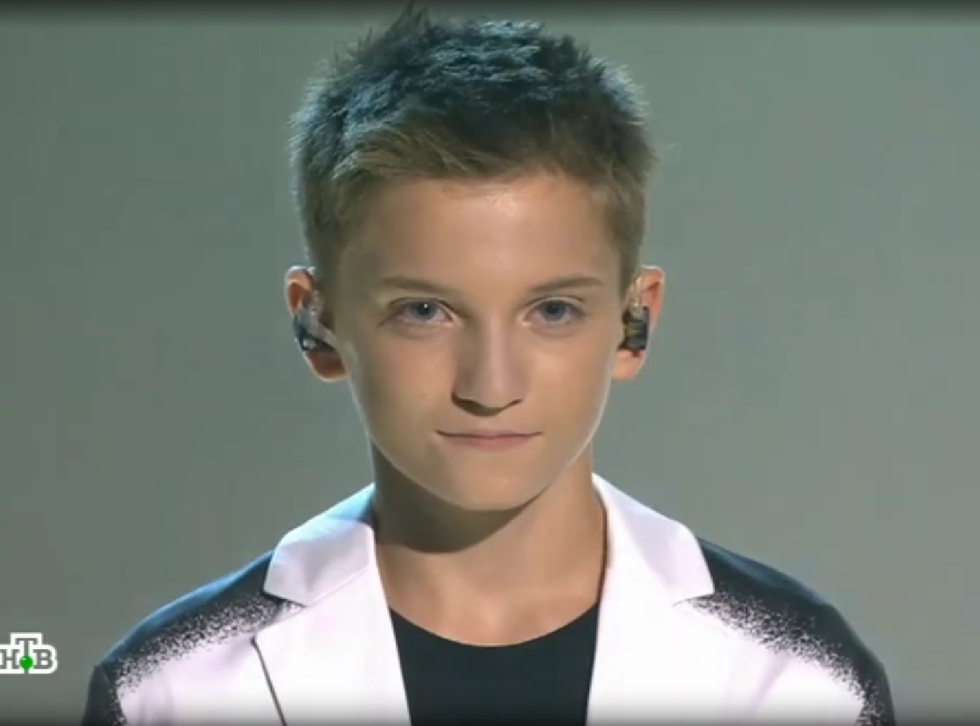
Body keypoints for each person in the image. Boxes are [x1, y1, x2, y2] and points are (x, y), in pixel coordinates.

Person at [80, 7, 895, 725]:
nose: (491, 386)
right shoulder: (172, 690)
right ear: (317, 321)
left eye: (553, 311)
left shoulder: (796, 680)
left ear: (633, 321)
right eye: (424, 311)